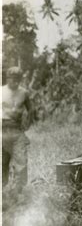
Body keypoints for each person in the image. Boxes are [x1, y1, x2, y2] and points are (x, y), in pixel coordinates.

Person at [2, 67, 33, 207]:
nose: (14, 81)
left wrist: (27, 124)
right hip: (2, 131)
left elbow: (31, 109)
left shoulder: (24, 93)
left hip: (17, 131)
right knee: (2, 164)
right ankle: (2, 193)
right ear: (7, 78)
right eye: (11, 78)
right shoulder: (1, 92)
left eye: (17, 79)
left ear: (20, 79)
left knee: (22, 164)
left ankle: (18, 195)